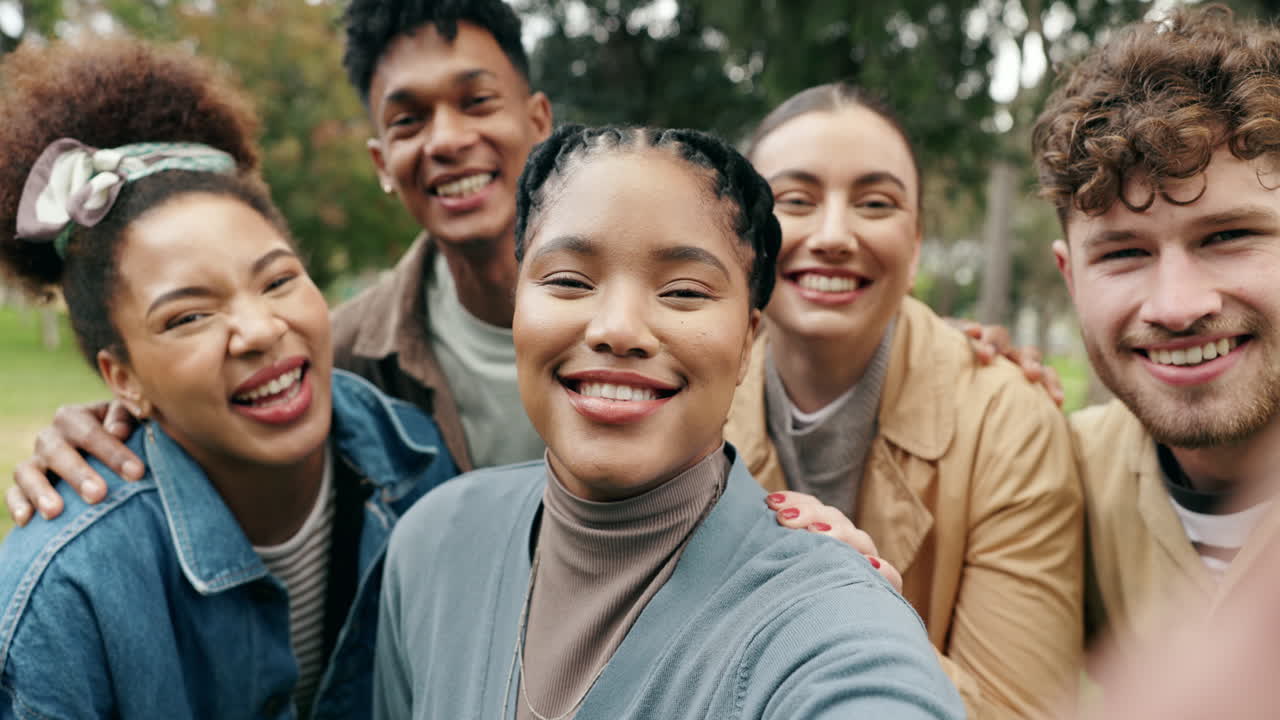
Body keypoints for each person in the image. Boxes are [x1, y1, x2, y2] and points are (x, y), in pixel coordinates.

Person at [3, 0, 1062, 529]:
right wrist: (103, 423)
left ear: (538, 117)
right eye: (409, 120)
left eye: (477, 100)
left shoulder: (696, 322)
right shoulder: (346, 360)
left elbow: (822, 322)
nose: (449, 139)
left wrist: (951, 351)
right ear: (380, 162)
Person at [375, 123, 966, 720]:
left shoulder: (824, 622)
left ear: (746, 343)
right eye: (568, 281)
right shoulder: (433, 548)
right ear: (519, 307)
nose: (618, 329)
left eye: (683, 292)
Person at [0, 38, 455, 718]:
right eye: (188, 317)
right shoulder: (68, 589)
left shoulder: (415, 460)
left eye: (277, 280)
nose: (260, 330)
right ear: (121, 378)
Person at [724, 82, 1085, 719]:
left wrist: (848, 607)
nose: (834, 234)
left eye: (875, 202)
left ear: (915, 245)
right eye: (795, 200)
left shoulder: (1007, 423)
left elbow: (1017, 708)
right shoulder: (690, 406)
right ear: (746, 238)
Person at [1031, 3, 1280, 657]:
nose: (1176, 307)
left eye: (1228, 236)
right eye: (1123, 253)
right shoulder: (1049, 478)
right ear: (1071, 279)